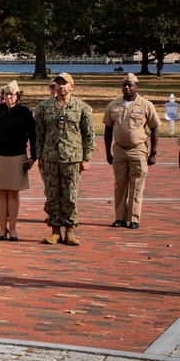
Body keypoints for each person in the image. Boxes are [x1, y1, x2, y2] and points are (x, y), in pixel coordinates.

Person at [35, 72, 94, 246]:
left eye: (65, 83)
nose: (61, 86)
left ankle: (69, 230)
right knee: (52, 195)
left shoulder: (82, 107)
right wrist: (39, 156)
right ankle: (54, 231)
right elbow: (39, 134)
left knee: (70, 195)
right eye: (58, 83)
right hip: (50, 158)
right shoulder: (44, 107)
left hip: (72, 158)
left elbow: (88, 135)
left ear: (72, 86)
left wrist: (86, 158)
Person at [0, 81, 36, 240]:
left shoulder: (25, 113)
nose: (9, 97)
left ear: (18, 96)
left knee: (13, 192)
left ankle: (13, 229)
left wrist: (33, 156)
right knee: (0, 192)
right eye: (6, 94)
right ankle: (1, 228)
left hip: (17, 156)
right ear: (2, 96)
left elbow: (33, 135)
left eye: (12, 94)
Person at [103, 73, 159, 230]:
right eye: (124, 85)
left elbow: (154, 128)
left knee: (137, 185)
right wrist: (108, 152)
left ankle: (134, 218)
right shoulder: (113, 105)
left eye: (130, 85)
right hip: (119, 151)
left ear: (137, 87)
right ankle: (119, 218)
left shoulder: (146, 105)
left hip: (138, 150)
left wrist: (153, 153)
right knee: (119, 185)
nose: (126, 87)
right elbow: (107, 129)